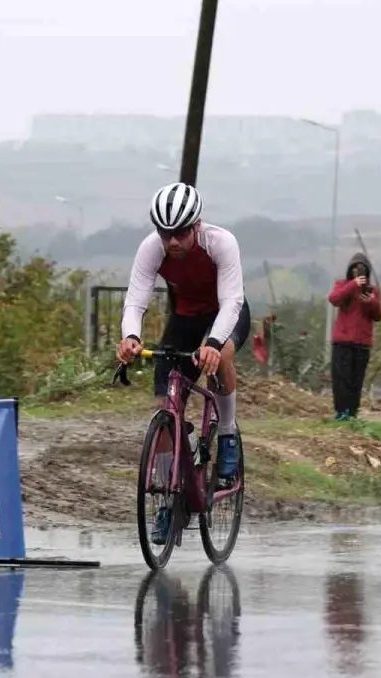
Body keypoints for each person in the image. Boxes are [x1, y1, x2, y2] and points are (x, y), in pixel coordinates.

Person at [115, 182, 249, 544]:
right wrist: (131, 337)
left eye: (181, 233)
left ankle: (227, 433)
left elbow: (232, 302)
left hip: (225, 313)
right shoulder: (151, 249)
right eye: (165, 233)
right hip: (186, 319)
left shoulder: (221, 243)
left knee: (222, 357)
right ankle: (168, 501)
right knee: (166, 407)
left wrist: (214, 344)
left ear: (197, 225)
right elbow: (135, 300)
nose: (172, 241)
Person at [328, 252, 381, 420]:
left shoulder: (373, 291)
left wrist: (371, 302)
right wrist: (353, 285)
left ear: (367, 272)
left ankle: (352, 412)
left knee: (356, 379)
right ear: (350, 270)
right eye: (354, 269)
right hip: (342, 341)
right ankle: (341, 411)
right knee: (341, 378)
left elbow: (379, 315)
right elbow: (333, 299)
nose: (357, 272)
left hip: (362, 342)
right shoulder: (342, 285)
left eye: (361, 269)